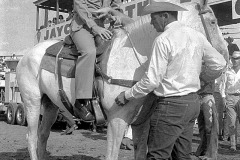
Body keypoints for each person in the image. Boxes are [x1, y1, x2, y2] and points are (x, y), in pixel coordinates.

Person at [115, 0, 226, 159]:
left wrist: (126, 95)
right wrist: (201, 78)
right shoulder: (196, 35)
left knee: (157, 156)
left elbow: (151, 81)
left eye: (153, 18)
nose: (152, 23)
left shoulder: (163, 40)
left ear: (164, 16)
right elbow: (219, 63)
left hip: (170, 106)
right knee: (182, 156)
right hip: (191, 103)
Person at [70, 0, 123, 122]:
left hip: (101, 26)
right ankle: (81, 102)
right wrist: (96, 27)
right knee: (89, 52)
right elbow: (80, 7)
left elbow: (116, 5)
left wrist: (116, 16)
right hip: (82, 26)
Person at [219, 51, 240, 151]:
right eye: (233, 58)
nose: (235, 60)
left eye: (237, 58)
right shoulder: (227, 71)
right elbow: (222, 86)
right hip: (230, 99)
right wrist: (223, 99)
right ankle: (233, 144)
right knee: (231, 123)